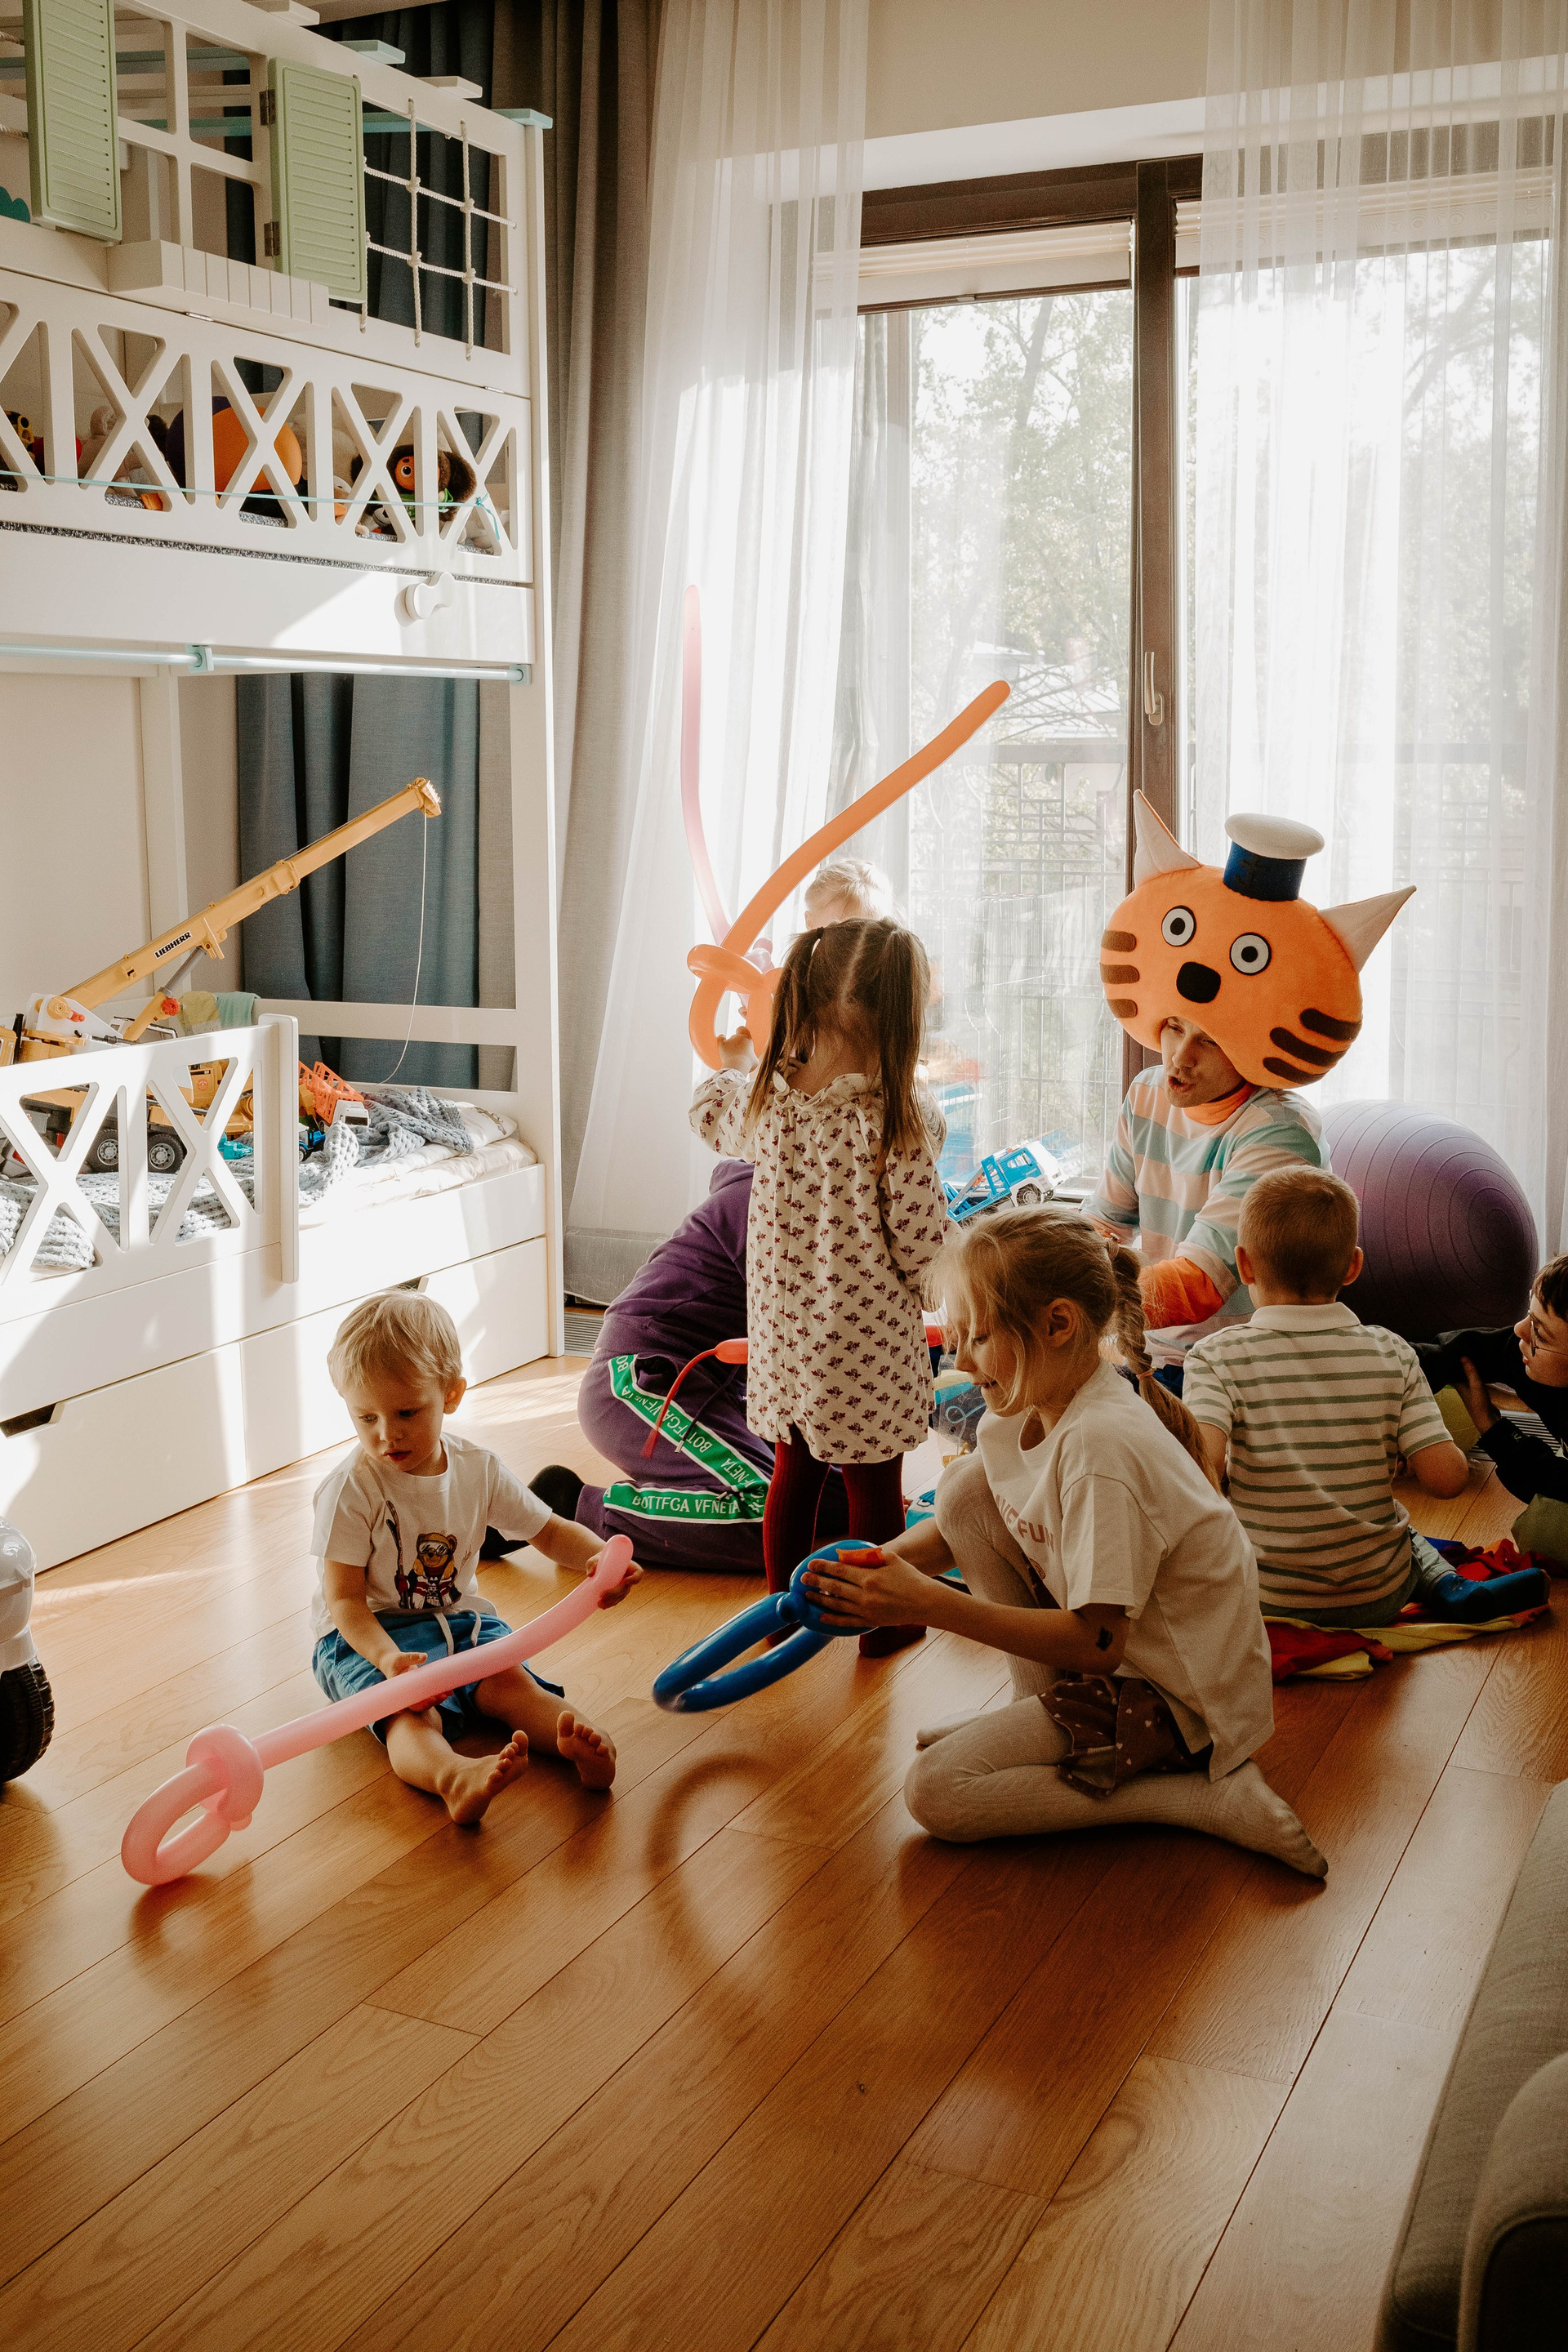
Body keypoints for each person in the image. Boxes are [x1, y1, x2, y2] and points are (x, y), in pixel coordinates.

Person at [801, 1208, 1328, 1875]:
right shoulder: (1023, 1407)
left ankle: (1196, 1797)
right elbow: (965, 1524)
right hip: (1119, 1664)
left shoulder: (1102, 1450)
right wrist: (872, 1570)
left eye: (978, 1337)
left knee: (937, 1791)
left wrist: (927, 1604)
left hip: (1179, 1702)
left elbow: (1098, 1644)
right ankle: (1036, 1710)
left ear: (1057, 1325)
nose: (960, 1360)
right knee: (965, 1489)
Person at [523, 858, 899, 1574]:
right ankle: (570, 1510)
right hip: (647, 1378)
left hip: (734, 1391)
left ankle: (689, 1488)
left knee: (829, 1507)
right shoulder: (771, 1183)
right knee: (767, 1509)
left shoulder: (854, 1149)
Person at [692, 915, 950, 1655]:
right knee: (874, 1491)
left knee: (792, 1475)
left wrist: (739, 1061)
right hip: (867, 1348)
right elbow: (922, 1243)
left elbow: (707, 1113)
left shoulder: (767, 1098)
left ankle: (780, 1615)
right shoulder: (897, 1118)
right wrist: (943, 1294)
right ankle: (885, 1624)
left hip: (784, 1339)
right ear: (897, 1020)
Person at [1089, 794, 1414, 1376]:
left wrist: (1071, 1290)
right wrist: (1051, 1257)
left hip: (1235, 1368)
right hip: (1147, 1349)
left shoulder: (1280, 1133)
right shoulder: (1146, 1093)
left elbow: (1199, 1286)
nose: (1179, 1057)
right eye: (1174, 1027)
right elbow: (1104, 1222)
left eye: (1211, 1041)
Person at [311, 1292, 636, 1824]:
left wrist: (600, 1559)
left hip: (460, 1620)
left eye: (407, 1412)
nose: (386, 1434)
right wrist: (388, 1660)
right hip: (369, 1636)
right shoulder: (351, 1489)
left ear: (452, 1394)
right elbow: (343, 1600)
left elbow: (548, 1531)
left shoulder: (476, 1469)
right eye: (365, 1416)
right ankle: (452, 1777)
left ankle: (577, 1740)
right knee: (408, 1716)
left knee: (512, 1683)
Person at [1182, 1169, 1548, 1626]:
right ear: (1354, 1266)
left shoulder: (1214, 1357)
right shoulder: (1392, 1352)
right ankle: (1451, 1588)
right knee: (1402, 1528)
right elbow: (1448, 1480)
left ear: (1244, 1264)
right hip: (1377, 1593)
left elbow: (1200, 1470)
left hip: (1265, 1599)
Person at [1415, 1255, 1568, 1518]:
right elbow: (1456, 1352)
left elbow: (1551, 1483)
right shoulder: (1534, 1355)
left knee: (1543, 1527)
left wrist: (1490, 1425)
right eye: (1529, 1315)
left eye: (1540, 1333)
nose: (1519, 1330)